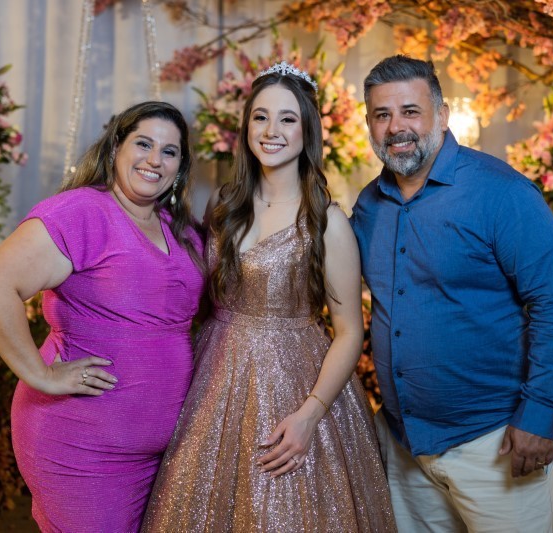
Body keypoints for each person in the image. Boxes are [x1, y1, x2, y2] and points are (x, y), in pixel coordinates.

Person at [141, 62, 396, 531]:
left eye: (287, 118)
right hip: (214, 377)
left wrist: (310, 415)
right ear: (246, 127)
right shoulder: (224, 204)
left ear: (307, 130)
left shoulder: (327, 222)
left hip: (295, 383)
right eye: (260, 117)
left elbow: (349, 333)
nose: (271, 131)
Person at [350, 54, 553, 532]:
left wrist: (541, 411)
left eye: (410, 111)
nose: (396, 127)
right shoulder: (369, 206)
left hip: (494, 441)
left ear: (442, 114)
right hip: (405, 445)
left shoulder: (501, 193)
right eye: (381, 114)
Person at [0, 101, 205, 532]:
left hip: (163, 456)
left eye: (169, 151)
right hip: (80, 445)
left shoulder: (181, 228)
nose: (155, 159)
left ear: (180, 166)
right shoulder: (81, 211)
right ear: (115, 147)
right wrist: (42, 375)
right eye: (144, 144)